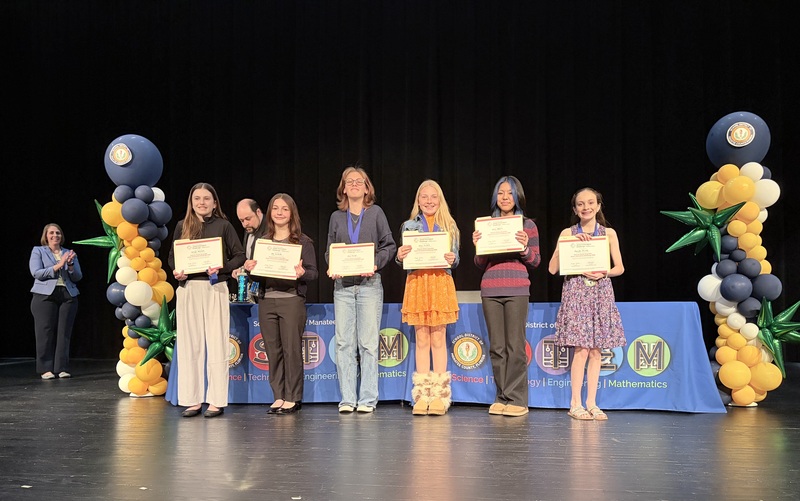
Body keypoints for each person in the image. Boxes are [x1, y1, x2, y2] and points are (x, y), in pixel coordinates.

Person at [168, 182, 245, 418]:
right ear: (191, 203)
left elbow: (240, 255)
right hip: (189, 288)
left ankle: (215, 400)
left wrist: (222, 267)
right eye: (197, 198)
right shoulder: (183, 226)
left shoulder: (224, 225)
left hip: (215, 288)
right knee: (190, 344)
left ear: (214, 202)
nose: (201, 202)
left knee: (216, 343)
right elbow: (173, 257)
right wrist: (177, 271)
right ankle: (191, 400)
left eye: (206, 198)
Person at [548, 187, 625, 421]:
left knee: (596, 351)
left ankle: (592, 403)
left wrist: (604, 273)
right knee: (580, 351)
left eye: (591, 203)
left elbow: (619, 268)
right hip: (576, 293)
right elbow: (552, 269)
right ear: (575, 209)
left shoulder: (608, 233)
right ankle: (575, 403)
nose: (586, 207)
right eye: (580, 204)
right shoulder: (567, 233)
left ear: (599, 206)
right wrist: (566, 244)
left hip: (600, 292)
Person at [325, 166, 396, 414]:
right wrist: (332, 265)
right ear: (343, 188)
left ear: (367, 188)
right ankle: (347, 399)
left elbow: (389, 245)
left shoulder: (375, 213)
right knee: (344, 344)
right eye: (349, 181)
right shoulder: (336, 217)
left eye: (359, 181)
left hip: (369, 286)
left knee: (367, 344)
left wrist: (376, 263)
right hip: (343, 286)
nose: (354, 184)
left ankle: (367, 399)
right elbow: (329, 250)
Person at [242, 193, 318, 415]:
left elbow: (313, 273)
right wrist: (251, 268)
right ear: (270, 212)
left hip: (291, 301)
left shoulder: (303, 242)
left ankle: (293, 397)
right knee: (273, 351)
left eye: (284, 209)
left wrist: (302, 273)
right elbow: (257, 277)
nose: (280, 213)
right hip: (267, 301)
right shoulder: (262, 241)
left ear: (291, 213)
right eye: (276, 208)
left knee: (292, 350)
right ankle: (278, 396)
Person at [472, 175, 541, 417]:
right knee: (498, 348)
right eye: (500, 193)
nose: (504, 197)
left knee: (515, 347)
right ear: (495, 196)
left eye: (509, 193)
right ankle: (501, 397)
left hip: (517, 290)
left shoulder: (527, 225)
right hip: (490, 289)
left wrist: (524, 247)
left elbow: (535, 260)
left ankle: (518, 399)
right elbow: (480, 263)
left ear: (517, 196)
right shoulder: (486, 224)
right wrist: (478, 245)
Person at [396, 180, 460, 416]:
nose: (429, 201)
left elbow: (457, 259)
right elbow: (402, 259)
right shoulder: (409, 226)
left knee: (438, 339)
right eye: (424, 197)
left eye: (434, 197)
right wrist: (400, 256)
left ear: (440, 199)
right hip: (418, 283)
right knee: (422, 339)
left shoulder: (449, 225)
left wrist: (453, 258)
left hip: (440, 282)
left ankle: (440, 397)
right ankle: (422, 396)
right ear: (418, 200)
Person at [29, 223, 83, 380]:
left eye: (58, 233)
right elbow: (36, 273)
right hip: (44, 295)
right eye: (51, 233)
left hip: (67, 294)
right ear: (46, 236)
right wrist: (59, 264)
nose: (55, 235)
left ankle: (62, 368)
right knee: (45, 332)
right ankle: (45, 369)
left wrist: (71, 265)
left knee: (64, 332)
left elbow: (77, 277)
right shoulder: (38, 251)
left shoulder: (69, 253)